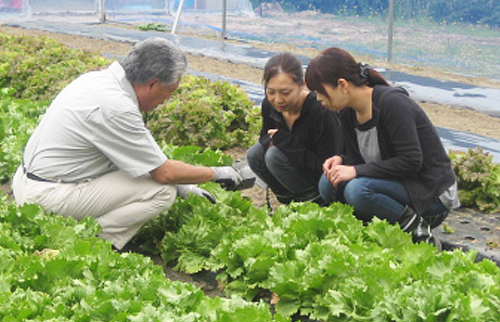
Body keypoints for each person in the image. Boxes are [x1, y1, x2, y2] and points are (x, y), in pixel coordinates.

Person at [12, 37, 243, 250]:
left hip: (29, 183)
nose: (167, 100)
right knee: (161, 192)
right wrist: (217, 173)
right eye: (170, 92)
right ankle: (91, 242)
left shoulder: (97, 81)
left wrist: (186, 185)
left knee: (159, 182)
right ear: (152, 84)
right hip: (47, 196)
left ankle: (85, 234)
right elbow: (163, 174)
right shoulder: (116, 107)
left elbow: (138, 158)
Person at [305, 47, 460, 245]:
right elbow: (362, 158)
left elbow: (411, 161)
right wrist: (342, 160)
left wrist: (354, 170)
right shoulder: (347, 112)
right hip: (395, 184)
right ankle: (369, 234)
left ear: (342, 85)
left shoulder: (392, 103)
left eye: (321, 92)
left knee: (357, 190)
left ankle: (420, 235)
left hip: (429, 192)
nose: (319, 99)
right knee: (327, 183)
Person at [246, 52, 342, 205]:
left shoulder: (320, 111)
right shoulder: (269, 106)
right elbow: (266, 138)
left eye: (285, 93)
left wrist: (286, 143)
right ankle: (288, 202)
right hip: (292, 170)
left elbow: (326, 165)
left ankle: (313, 202)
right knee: (255, 154)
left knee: (274, 156)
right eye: (271, 92)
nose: (278, 100)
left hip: (323, 180)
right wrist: (279, 142)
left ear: (302, 84)